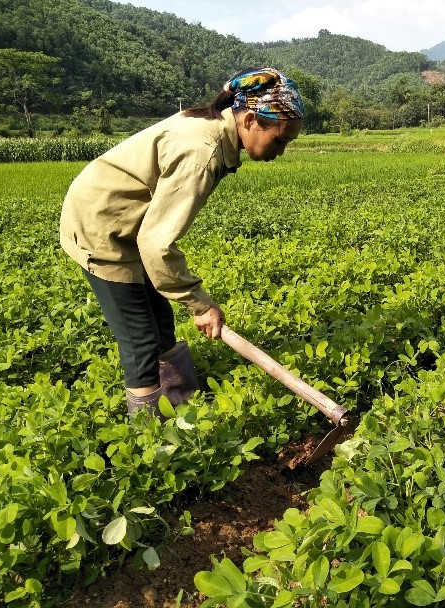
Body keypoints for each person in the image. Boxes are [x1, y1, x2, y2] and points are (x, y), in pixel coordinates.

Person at [60, 67, 304, 417]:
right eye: (279, 139)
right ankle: (147, 443)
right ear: (250, 119)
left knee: (160, 321)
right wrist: (201, 305)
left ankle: (183, 405)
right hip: (103, 228)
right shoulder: (201, 152)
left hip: (127, 222)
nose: (281, 151)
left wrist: (191, 300)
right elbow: (156, 245)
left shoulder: (213, 129)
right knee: (140, 341)